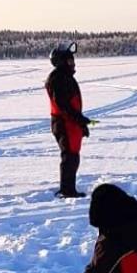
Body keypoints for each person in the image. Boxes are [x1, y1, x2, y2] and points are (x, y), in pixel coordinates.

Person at [44, 42, 93, 198]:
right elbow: (63, 105)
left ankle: (68, 188)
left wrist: (81, 124)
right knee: (70, 157)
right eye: (69, 61)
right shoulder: (58, 79)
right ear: (60, 62)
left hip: (70, 123)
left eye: (73, 61)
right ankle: (67, 190)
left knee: (73, 156)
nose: (72, 64)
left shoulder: (65, 77)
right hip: (64, 123)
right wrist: (79, 119)